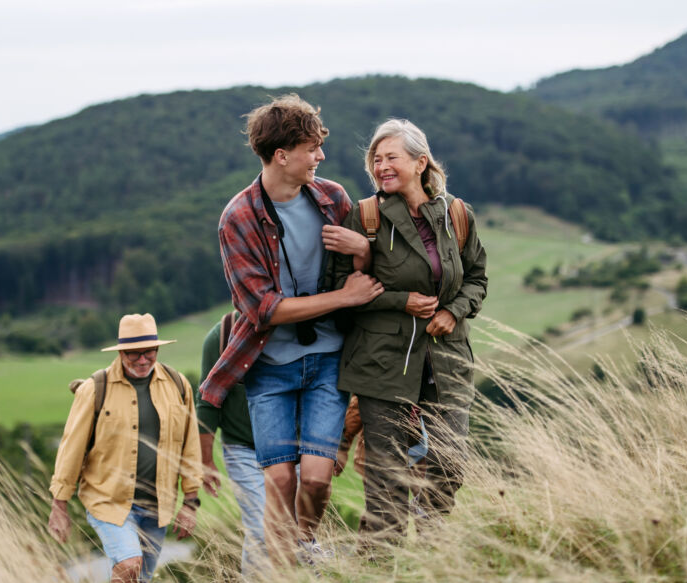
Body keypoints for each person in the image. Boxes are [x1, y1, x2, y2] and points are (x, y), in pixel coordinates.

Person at [199, 93, 384, 565]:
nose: (321, 156)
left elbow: (362, 273)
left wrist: (361, 249)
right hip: (268, 367)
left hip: (327, 358)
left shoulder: (333, 198)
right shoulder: (236, 218)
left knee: (318, 478)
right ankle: (283, 571)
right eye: (312, 148)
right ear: (282, 155)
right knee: (280, 481)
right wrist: (343, 298)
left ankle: (302, 549)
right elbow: (262, 309)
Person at [334, 118, 488, 545]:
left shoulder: (457, 214)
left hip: (447, 361)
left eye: (391, 158)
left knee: (450, 459)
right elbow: (340, 292)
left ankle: (432, 544)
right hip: (382, 364)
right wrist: (399, 301)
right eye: (375, 159)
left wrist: (455, 311)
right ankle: (380, 563)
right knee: (387, 478)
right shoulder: (364, 217)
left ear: (421, 162)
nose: (381, 166)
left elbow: (477, 277)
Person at [48, 313, 202, 583]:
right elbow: (71, 449)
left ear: (157, 348)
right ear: (121, 352)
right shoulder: (95, 389)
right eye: (134, 353)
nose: (143, 360)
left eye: (149, 352)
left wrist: (190, 503)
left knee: (141, 579)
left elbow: (189, 446)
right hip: (109, 501)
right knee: (130, 565)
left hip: (158, 505)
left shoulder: (178, 386)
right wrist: (59, 505)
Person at [196, 310, 267, 578]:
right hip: (242, 448)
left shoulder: (291, 327)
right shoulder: (221, 336)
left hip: (290, 449)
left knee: (294, 529)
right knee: (260, 528)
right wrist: (205, 461)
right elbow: (207, 401)